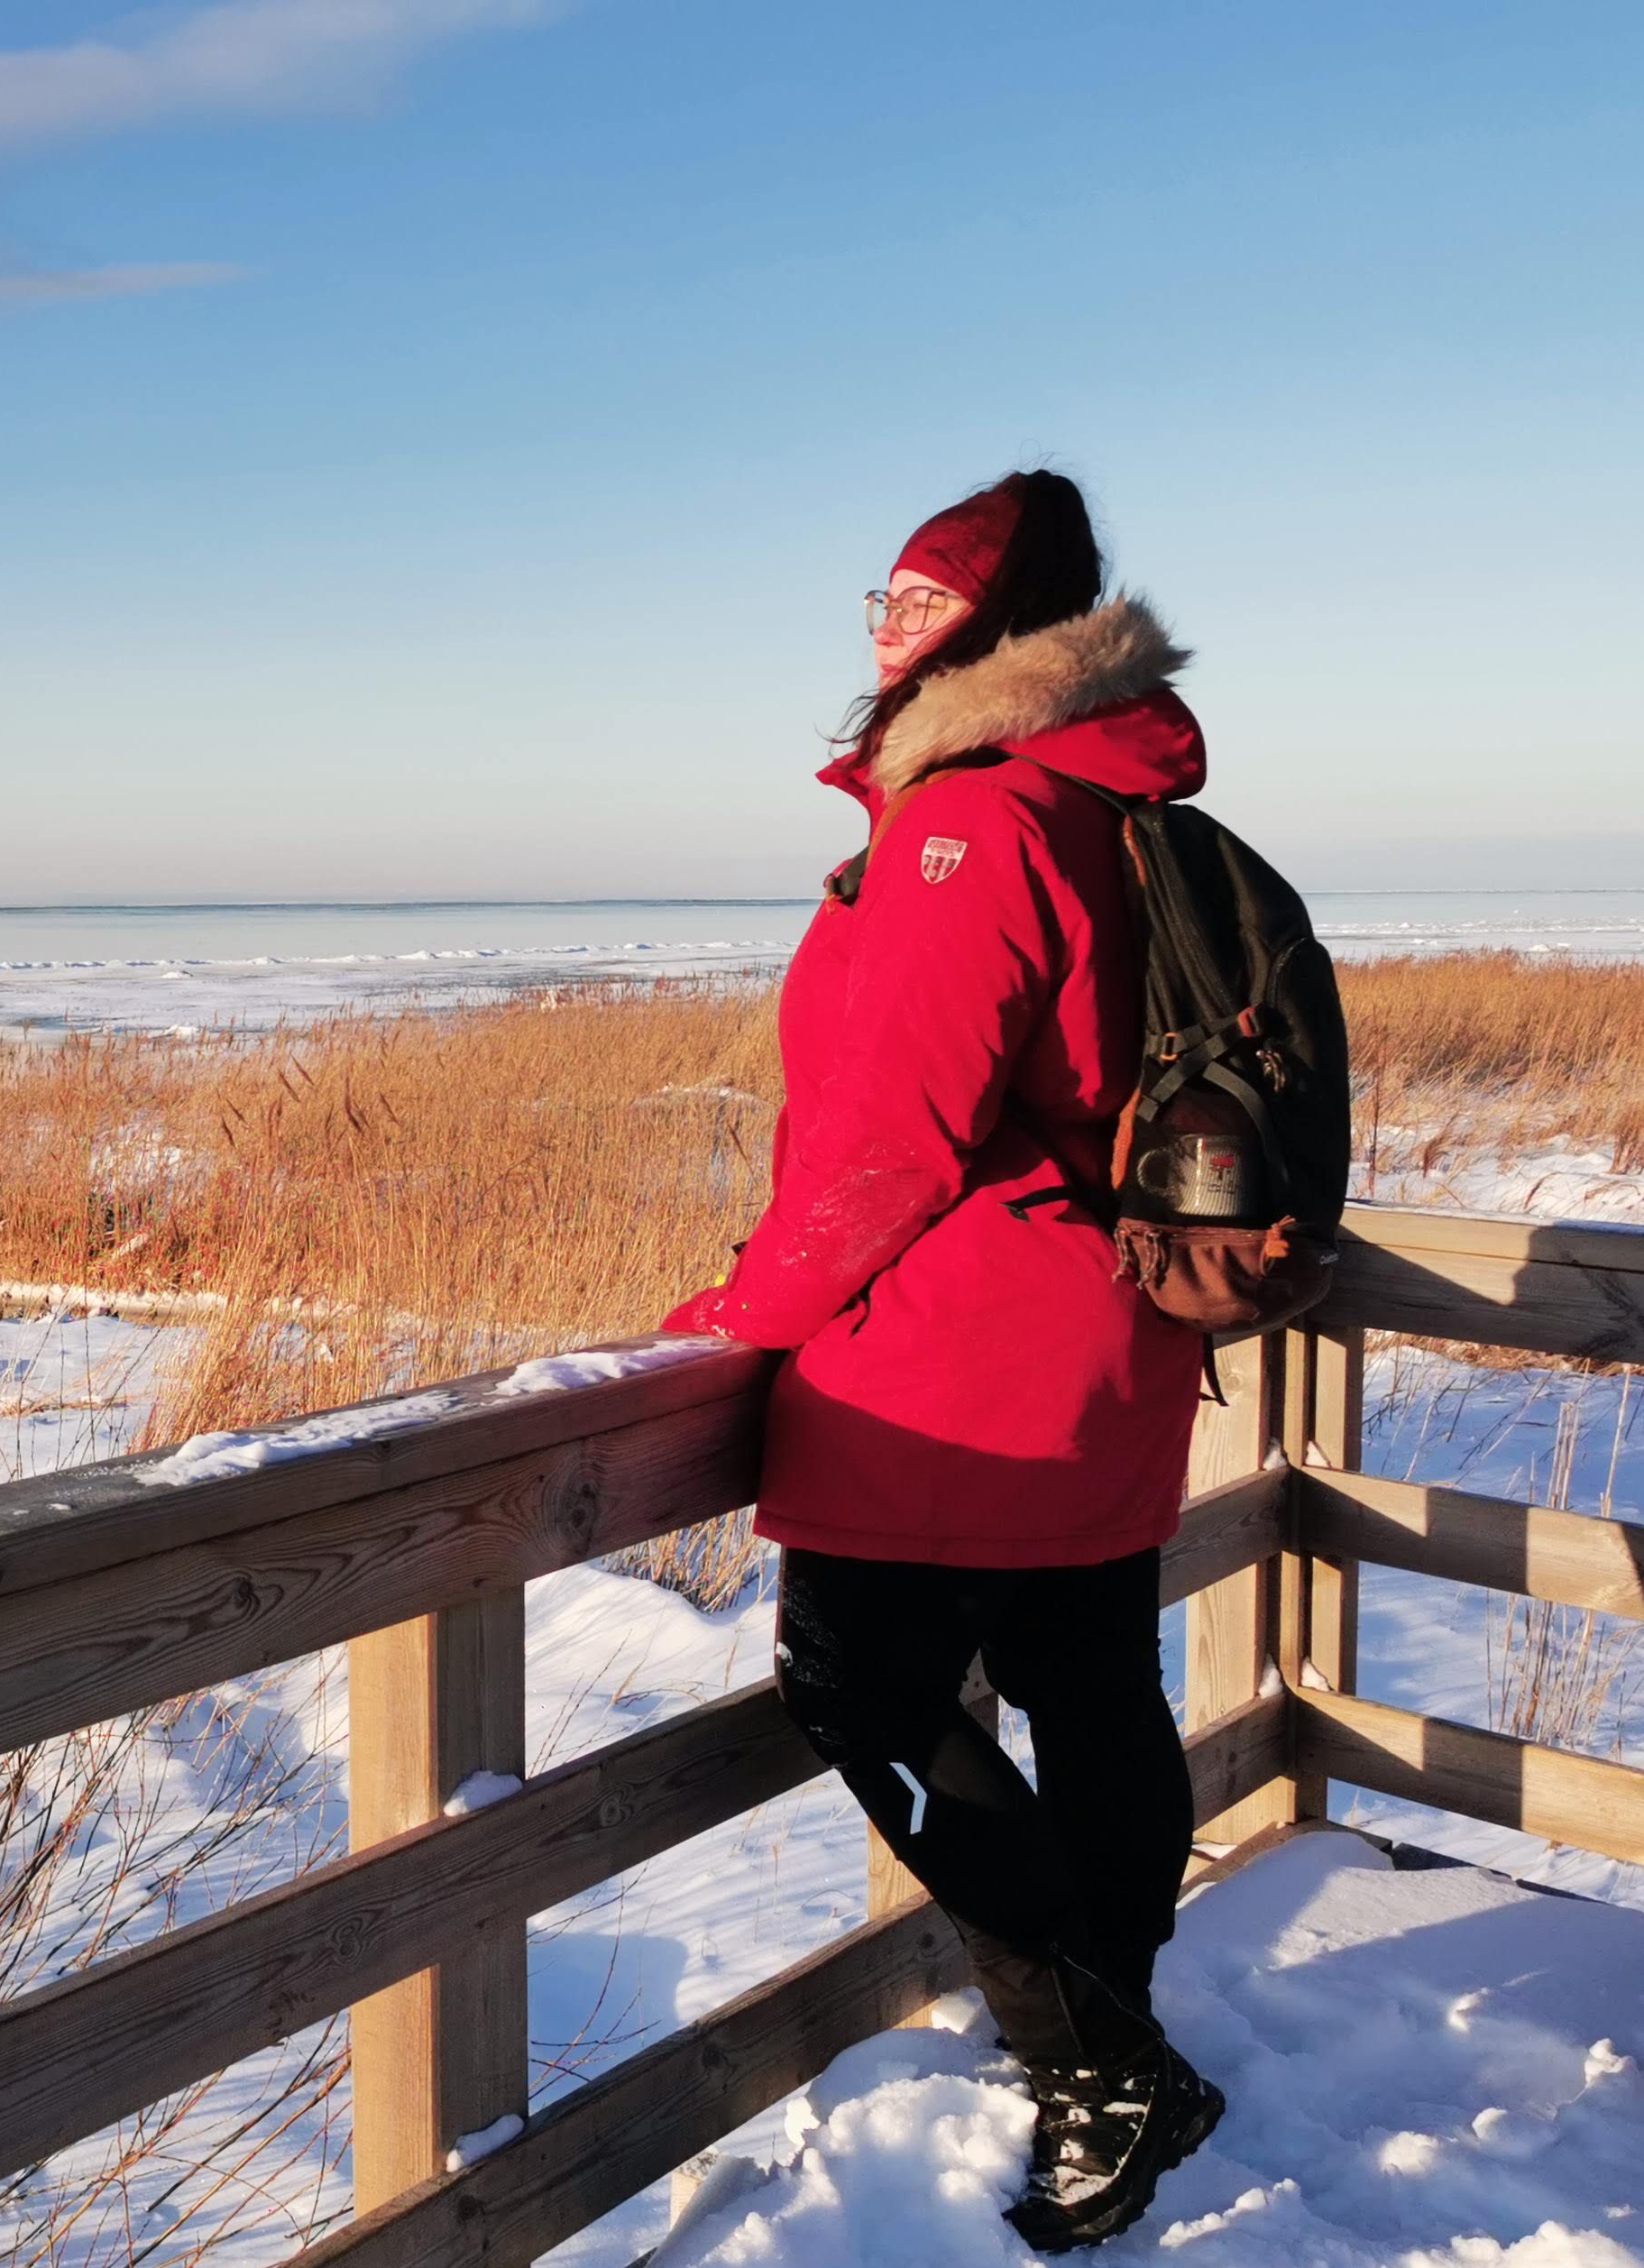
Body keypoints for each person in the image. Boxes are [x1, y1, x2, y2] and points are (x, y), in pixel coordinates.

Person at [661, 469, 1224, 2251]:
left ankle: (1095, 2057)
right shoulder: (1105, 797)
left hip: (955, 1363)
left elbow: (894, 1142)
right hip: (1107, 1351)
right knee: (1088, 1686)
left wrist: (744, 1315)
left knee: (862, 1685)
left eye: (906, 600)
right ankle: (1116, 2047)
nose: (877, 627)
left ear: (986, 633)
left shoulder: (971, 825)